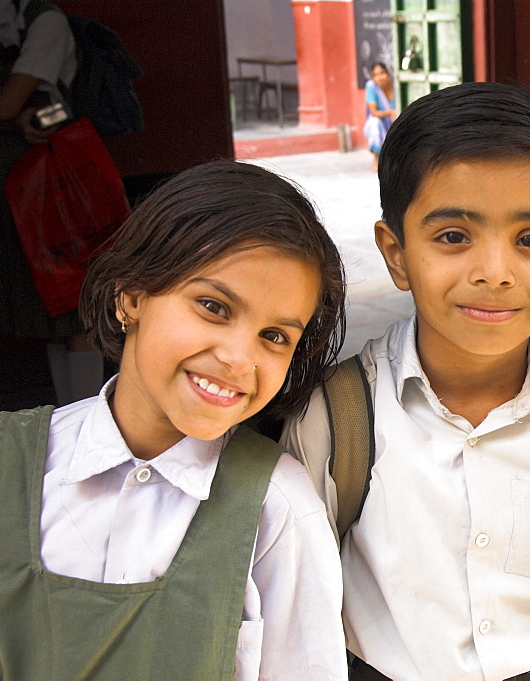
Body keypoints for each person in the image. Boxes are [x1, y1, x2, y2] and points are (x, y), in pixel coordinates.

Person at [283, 82, 530, 681]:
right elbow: (294, 602)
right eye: (453, 236)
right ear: (397, 252)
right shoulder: (338, 414)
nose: (494, 272)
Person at [0, 160, 350, 680]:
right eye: (213, 306)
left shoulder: (276, 507)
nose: (239, 359)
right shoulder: (12, 462)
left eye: (275, 337)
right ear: (131, 296)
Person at [0, 0, 104, 408]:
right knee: (48, 308)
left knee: (74, 303)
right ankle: (67, 413)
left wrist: (16, 118)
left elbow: (11, 102)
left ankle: (86, 413)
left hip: (53, 182)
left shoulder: (45, 22)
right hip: (19, 186)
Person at [362, 61, 395, 171]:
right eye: (375, 75)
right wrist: (390, 112)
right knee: (375, 122)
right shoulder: (372, 87)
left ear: (388, 74)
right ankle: (376, 159)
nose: (379, 78)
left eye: (382, 73)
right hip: (381, 122)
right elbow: (373, 112)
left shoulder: (396, 85)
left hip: (395, 120)